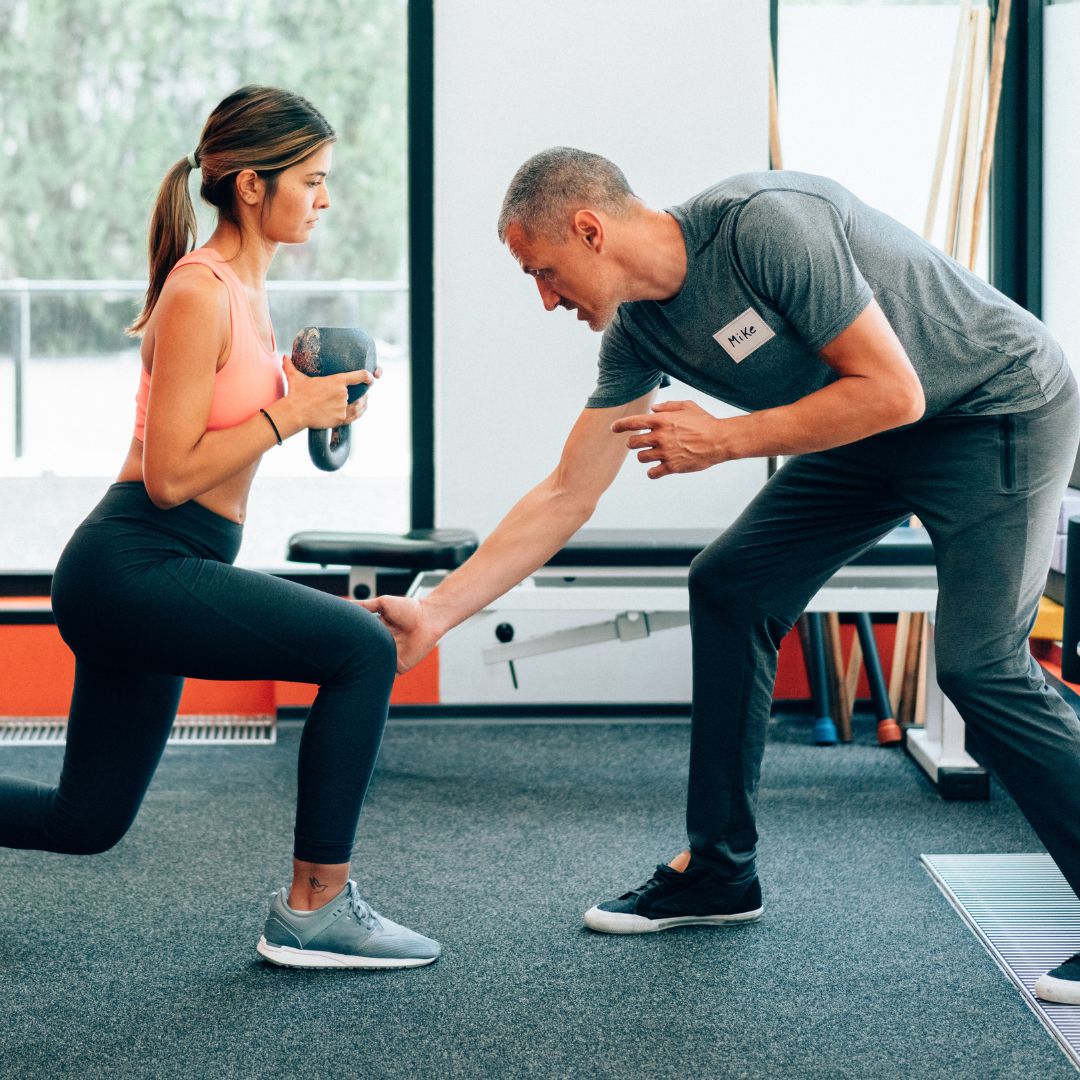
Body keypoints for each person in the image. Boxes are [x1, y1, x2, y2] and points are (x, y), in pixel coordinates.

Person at [362, 146, 1080, 1001]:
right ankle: (719, 871)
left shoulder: (764, 228)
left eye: (545, 272)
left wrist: (730, 438)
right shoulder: (639, 332)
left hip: (993, 406)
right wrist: (436, 613)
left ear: (591, 230)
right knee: (730, 583)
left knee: (977, 665)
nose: (546, 298)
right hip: (875, 430)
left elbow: (894, 391)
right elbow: (565, 493)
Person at [0, 85, 439, 971]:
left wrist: (311, 394)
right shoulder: (199, 291)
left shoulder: (248, 292)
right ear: (250, 186)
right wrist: (291, 411)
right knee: (358, 652)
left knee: (83, 822)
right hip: (134, 561)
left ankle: (314, 909)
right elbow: (168, 478)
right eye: (311, 180)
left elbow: (227, 427)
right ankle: (314, 909)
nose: (324, 198)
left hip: (164, 567)